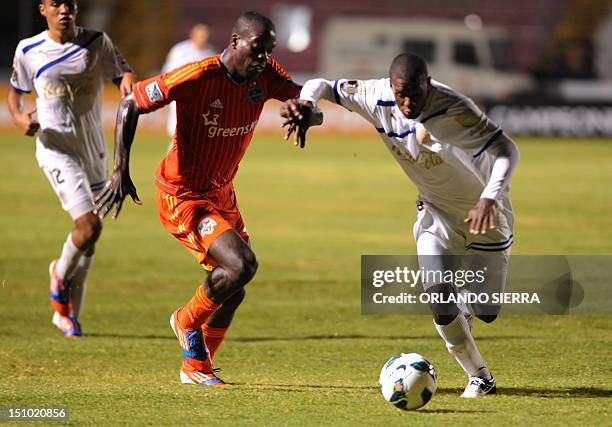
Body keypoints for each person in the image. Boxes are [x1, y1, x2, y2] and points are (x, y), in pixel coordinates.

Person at [280, 52, 520, 398]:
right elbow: (322, 85)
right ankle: (480, 377)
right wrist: (306, 104)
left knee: (486, 311)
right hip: (436, 214)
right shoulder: (376, 95)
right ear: (390, 86)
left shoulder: (455, 108)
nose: (406, 103)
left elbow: (507, 151)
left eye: (414, 94)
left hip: (486, 218)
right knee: (438, 296)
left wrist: (489, 198)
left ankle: (465, 313)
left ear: (428, 84)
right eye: (399, 93)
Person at [95, 11, 301, 386]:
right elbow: (130, 105)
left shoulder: (265, 73)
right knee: (241, 266)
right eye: (258, 49)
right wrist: (119, 170)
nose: (263, 58)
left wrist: (306, 113)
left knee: (233, 288)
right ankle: (184, 321)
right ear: (236, 42)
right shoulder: (197, 75)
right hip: (184, 196)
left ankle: (197, 366)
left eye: (269, 50)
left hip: (222, 194)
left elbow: (302, 99)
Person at [7, 0, 136, 338]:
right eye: (56, 4)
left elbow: (124, 71)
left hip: (94, 151)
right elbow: (16, 94)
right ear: (42, 9)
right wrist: (20, 118)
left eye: (70, 3)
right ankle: (59, 275)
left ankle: (68, 317)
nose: (64, 9)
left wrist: (127, 83)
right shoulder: (29, 49)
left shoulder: (96, 42)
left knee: (89, 242)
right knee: (89, 226)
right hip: (56, 151)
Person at [162, 24, 217, 136]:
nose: (203, 38)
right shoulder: (179, 51)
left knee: (196, 132)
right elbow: (168, 72)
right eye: (200, 35)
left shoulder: (211, 53)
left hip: (201, 98)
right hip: (180, 94)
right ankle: (175, 152)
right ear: (192, 35)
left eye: (205, 35)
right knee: (177, 131)